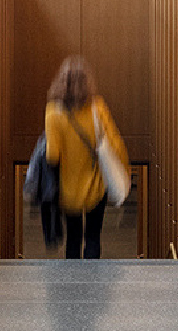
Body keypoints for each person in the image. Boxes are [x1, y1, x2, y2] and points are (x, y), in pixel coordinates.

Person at [44, 56, 129, 260]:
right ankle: (93, 283)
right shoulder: (97, 108)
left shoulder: (53, 112)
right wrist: (122, 169)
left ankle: (74, 285)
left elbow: (52, 155)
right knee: (93, 237)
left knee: (73, 238)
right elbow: (115, 143)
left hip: (68, 189)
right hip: (95, 187)